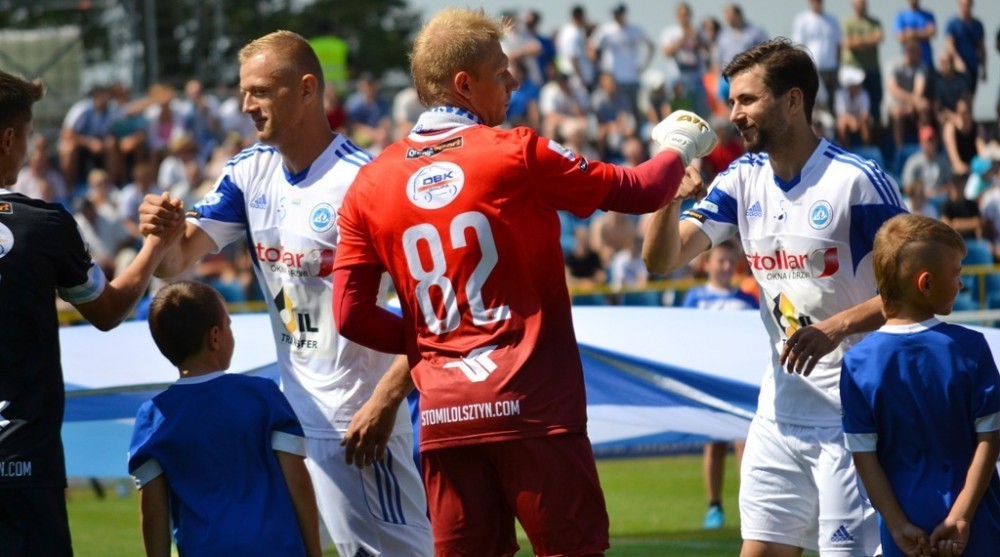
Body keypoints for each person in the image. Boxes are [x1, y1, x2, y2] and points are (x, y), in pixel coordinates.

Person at [330, 8, 718, 555]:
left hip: (444, 416)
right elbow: (641, 190)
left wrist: (434, 345)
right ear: (464, 85)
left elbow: (350, 316)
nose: (513, 81)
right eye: (500, 71)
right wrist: (679, 144)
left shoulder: (369, 183)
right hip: (534, 408)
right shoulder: (516, 151)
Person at [137, 30, 433, 557]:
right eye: (243, 92)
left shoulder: (364, 180)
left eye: (260, 91)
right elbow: (174, 263)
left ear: (307, 89)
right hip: (292, 422)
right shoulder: (248, 172)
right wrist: (160, 232)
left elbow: (430, 310)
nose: (246, 106)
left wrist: (385, 402)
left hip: (358, 422)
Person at [642, 38, 907, 557]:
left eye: (747, 99)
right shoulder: (741, 179)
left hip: (853, 422)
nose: (734, 114)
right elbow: (661, 260)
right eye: (732, 101)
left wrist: (835, 327)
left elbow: (915, 290)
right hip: (777, 417)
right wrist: (668, 196)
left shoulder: (857, 182)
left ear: (792, 100)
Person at [0, 69, 184, 557]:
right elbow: (108, 311)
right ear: (8, 139)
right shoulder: (44, 224)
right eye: (29, 136)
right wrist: (156, 245)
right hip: (21, 463)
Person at [841, 213, 1000, 557]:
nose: (961, 284)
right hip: (977, 529)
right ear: (925, 283)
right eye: (956, 273)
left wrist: (897, 525)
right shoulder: (970, 349)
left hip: (905, 538)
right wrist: (961, 516)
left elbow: (864, 457)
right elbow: (991, 439)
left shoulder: (856, 363)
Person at [128, 280, 322, 557]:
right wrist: (314, 552)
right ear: (215, 337)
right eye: (229, 325)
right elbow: (298, 482)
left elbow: (154, 514)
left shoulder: (152, 417)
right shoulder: (263, 395)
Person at [681, 239, 756, 529]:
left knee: (744, 443)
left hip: (739, 381)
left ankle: (749, 507)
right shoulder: (695, 299)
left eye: (730, 262)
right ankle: (714, 506)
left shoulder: (747, 301)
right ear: (707, 263)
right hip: (709, 381)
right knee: (714, 443)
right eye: (720, 261)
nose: (725, 267)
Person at [841, 0, 884, 123]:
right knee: (856, 107)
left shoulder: (875, 22)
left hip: (872, 69)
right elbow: (848, 42)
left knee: (875, 104)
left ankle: (877, 132)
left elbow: (879, 38)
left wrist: (859, 41)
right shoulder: (847, 23)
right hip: (854, 70)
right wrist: (869, 41)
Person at [944, 0, 986, 97]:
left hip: (973, 67)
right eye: (963, 5)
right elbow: (949, 45)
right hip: (957, 69)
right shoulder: (952, 24)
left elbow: (982, 48)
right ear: (959, 5)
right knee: (960, 98)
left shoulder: (978, 25)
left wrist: (984, 68)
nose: (966, 8)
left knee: (970, 97)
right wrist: (957, 61)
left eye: (968, 5)